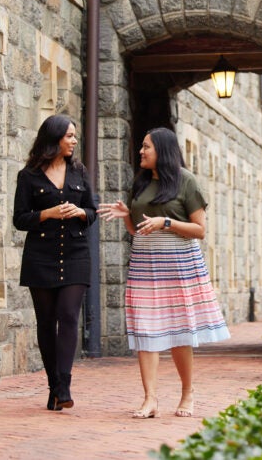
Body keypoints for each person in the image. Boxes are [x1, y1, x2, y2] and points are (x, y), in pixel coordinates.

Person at [98, 127, 230, 419]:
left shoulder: (186, 181)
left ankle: (187, 393)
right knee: (145, 329)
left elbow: (200, 230)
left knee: (179, 331)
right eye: (142, 146)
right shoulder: (141, 183)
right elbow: (139, 229)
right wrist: (126, 217)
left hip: (179, 263)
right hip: (145, 263)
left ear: (163, 150)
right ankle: (150, 399)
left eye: (147, 147)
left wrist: (166, 222)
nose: (141, 151)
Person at [12, 114, 96, 411]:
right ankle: (54, 387)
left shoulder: (80, 172)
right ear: (54, 138)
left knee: (69, 315)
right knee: (46, 322)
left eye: (75, 136)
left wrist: (79, 212)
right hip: (41, 257)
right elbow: (19, 219)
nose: (74, 141)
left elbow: (93, 210)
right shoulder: (29, 176)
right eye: (70, 136)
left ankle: (64, 384)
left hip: (75, 253)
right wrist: (47, 214)